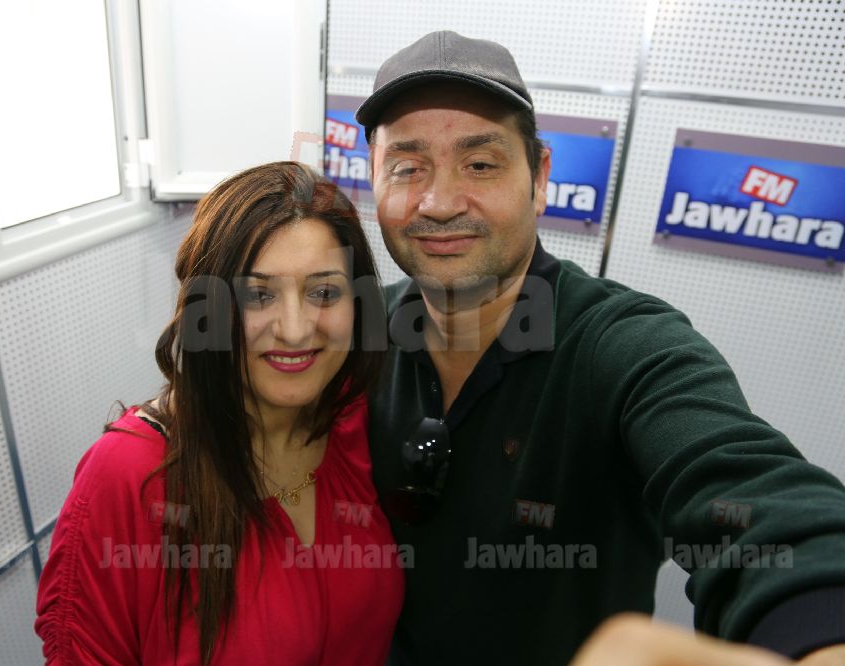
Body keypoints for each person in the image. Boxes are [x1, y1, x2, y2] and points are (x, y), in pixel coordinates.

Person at [356, 30, 845, 665]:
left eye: (480, 164)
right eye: (407, 167)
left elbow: (757, 504)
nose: (441, 202)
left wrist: (818, 632)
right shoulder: (357, 331)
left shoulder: (625, 347)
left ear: (540, 178)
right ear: (374, 180)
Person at [35, 162, 404, 664]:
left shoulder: (355, 421)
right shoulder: (128, 476)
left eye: (323, 292)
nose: (295, 329)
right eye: (258, 294)